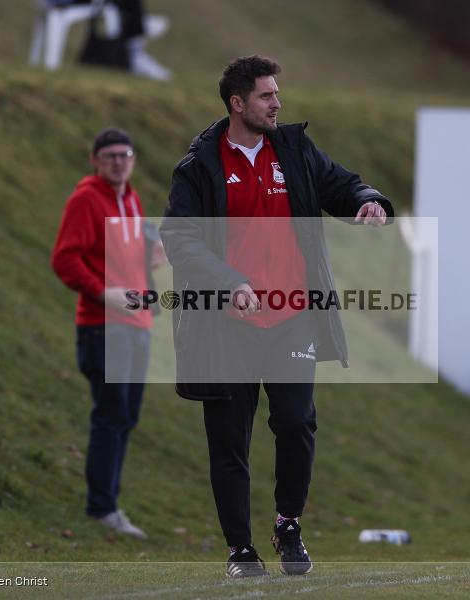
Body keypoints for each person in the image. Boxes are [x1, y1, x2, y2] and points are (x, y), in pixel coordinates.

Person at [160, 55, 392, 577]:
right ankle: (240, 548)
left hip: (291, 318)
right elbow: (177, 237)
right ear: (238, 103)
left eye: (276, 94)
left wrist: (367, 201)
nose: (277, 103)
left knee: (295, 422)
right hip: (226, 326)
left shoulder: (293, 147)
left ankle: (288, 525)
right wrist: (230, 283)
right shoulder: (199, 166)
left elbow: (341, 183)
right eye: (266, 96)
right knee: (229, 438)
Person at [51, 128, 165, 537]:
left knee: (126, 416)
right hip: (102, 327)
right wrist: (103, 294)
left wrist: (154, 260)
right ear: (95, 160)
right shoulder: (86, 199)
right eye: (111, 155)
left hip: (136, 325)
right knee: (111, 414)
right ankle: (102, 508)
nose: (119, 161)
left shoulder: (131, 199)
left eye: (125, 154)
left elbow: (129, 257)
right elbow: (65, 259)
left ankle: (108, 504)